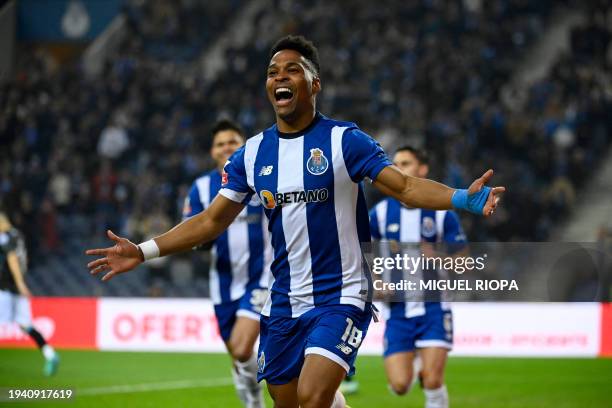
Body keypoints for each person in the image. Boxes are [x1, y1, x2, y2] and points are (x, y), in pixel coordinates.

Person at [86, 35, 504, 408]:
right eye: (272, 72)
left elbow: (407, 188)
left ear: (313, 84)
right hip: (284, 299)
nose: (279, 77)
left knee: (312, 396)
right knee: (288, 402)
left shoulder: (344, 141)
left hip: (342, 294)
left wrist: (464, 198)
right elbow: (211, 221)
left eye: (292, 70)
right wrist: (142, 250)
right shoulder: (252, 154)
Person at [369, 146, 468, 408]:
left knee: (433, 381)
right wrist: (375, 280)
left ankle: (432, 380)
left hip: (434, 307)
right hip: (397, 310)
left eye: (405, 163)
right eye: (395, 163)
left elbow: (464, 263)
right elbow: (360, 251)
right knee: (400, 386)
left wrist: (438, 259)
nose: (398, 168)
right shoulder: (379, 214)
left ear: (421, 170)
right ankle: (414, 360)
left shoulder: (442, 213)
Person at [183, 119, 272, 408]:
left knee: (242, 345)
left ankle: (256, 394)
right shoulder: (200, 188)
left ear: (243, 145)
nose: (226, 148)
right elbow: (192, 230)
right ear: (212, 152)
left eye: (232, 141)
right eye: (220, 144)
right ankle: (250, 390)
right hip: (222, 283)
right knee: (238, 354)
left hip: (262, 277)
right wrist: (200, 241)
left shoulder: (262, 178)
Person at [0, 212, 59, 376]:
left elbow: (11, 259)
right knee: (26, 326)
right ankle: (50, 354)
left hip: (6, 287)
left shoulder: (5, 237)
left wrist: (19, 282)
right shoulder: (18, 235)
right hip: (17, 287)